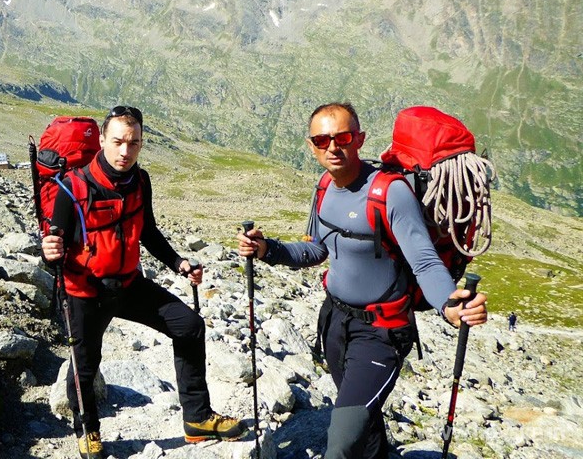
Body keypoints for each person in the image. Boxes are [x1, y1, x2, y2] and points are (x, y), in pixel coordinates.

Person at [236, 102, 488, 459]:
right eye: (322, 140)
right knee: (363, 422)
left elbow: (424, 261)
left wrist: (450, 305)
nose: (332, 147)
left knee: (341, 441)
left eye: (342, 138)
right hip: (334, 324)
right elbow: (316, 250)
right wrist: (267, 249)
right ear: (311, 146)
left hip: (381, 333)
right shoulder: (324, 186)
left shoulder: (390, 193)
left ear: (360, 139)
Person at [41, 105, 244, 459]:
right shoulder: (72, 187)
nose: (125, 151)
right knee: (85, 363)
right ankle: (87, 430)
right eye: (118, 141)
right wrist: (48, 251)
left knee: (189, 326)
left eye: (133, 143)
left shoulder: (140, 180)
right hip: (85, 290)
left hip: (129, 284)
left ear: (141, 143)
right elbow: (54, 250)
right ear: (102, 140)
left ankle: (197, 418)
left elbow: (147, 230)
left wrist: (178, 263)